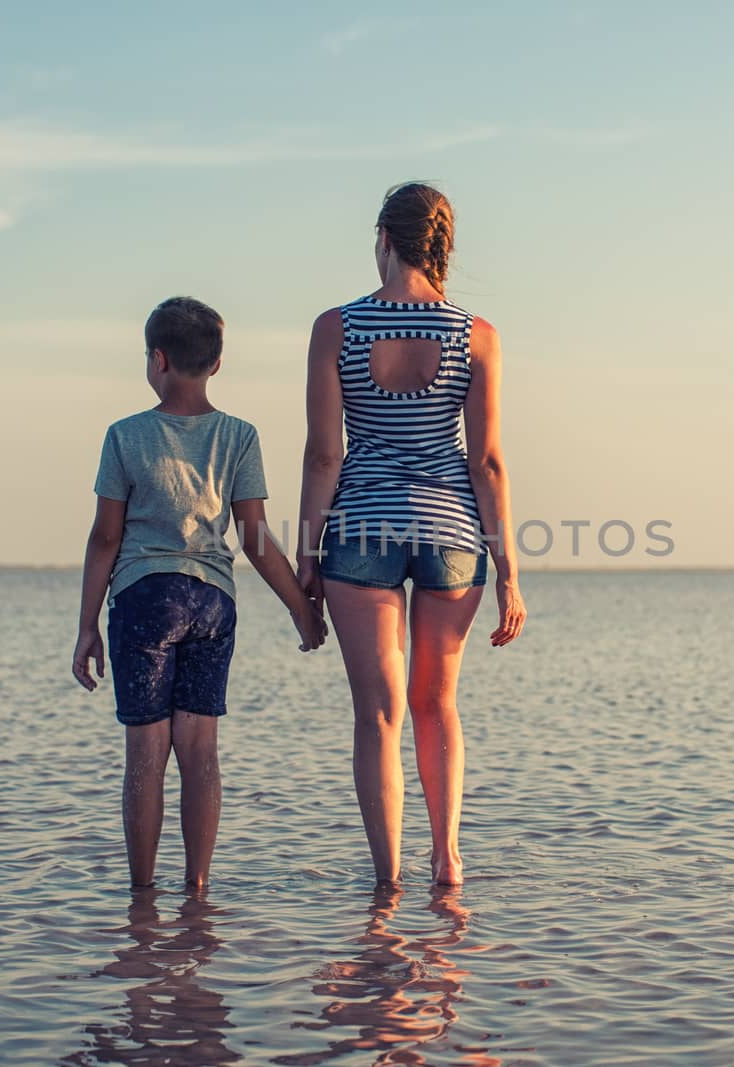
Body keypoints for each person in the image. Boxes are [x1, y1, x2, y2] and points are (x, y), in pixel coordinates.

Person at [296, 183, 527, 888]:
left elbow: (323, 454)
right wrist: (510, 570)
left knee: (379, 716)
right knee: (437, 704)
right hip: (453, 532)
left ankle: (388, 880)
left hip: (362, 524)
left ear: (384, 241)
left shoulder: (337, 328)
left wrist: (307, 553)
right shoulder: (476, 335)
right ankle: (447, 859)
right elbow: (486, 461)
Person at [73, 296, 326, 892]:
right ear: (216, 364)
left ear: (157, 359)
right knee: (200, 753)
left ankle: (142, 899)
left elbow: (106, 537)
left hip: (144, 600)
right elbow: (258, 540)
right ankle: (198, 890)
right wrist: (302, 612)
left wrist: (87, 626)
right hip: (213, 602)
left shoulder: (125, 436)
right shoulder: (238, 436)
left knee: (146, 755)